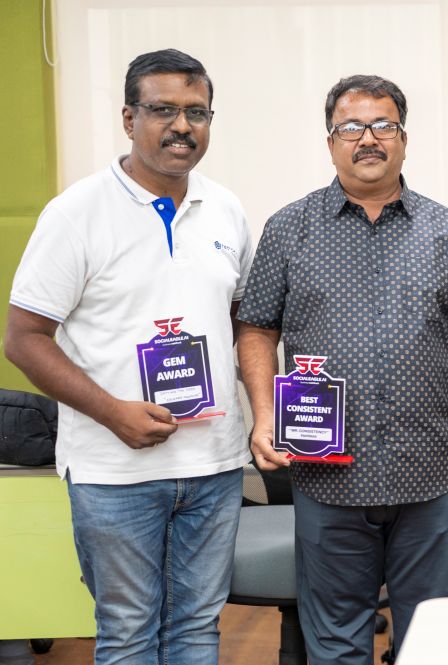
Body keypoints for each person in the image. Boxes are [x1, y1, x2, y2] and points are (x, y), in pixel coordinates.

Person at [236, 74, 448, 663]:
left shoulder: (446, 229)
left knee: (433, 641)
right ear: (330, 142)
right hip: (326, 476)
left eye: (383, 125)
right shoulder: (289, 228)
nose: (368, 138)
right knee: (335, 645)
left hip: (431, 475)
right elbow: (256, 328)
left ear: (403, 139)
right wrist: (263, 415)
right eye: (351, 127)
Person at [4, 49, 251, 663]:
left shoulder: (226, 209)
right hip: (113, 471)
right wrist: (113, 412)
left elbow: (240, 323)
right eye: (163, 109)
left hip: (214, 465)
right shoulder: (75, 213)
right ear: (128, 118)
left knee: (197, 628)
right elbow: (24, 338)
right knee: (128, 631)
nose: (182, 126)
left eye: (197, 112)